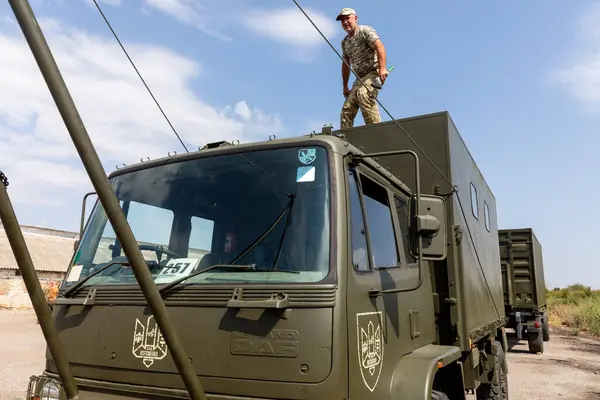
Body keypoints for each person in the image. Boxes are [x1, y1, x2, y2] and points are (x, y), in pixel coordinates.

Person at [337, 8, 388, 129]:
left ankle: (376, 131)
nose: (345, 22)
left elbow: (380, 47)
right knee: (347, 109)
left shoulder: (364, 31)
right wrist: (345, 85)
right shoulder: (345, 42)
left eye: (347, 18)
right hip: (359, 78)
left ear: (355, 18)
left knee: (364, 95)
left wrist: (382, 68)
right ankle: (346, 140)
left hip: (373, 72)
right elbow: (345, 64)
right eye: (342, 20)